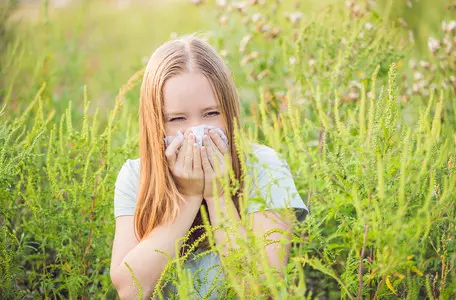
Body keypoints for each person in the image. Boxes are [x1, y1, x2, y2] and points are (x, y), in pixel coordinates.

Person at [109, 34, 309, 299]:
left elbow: (261, 290)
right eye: (177, 118)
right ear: (157, 125)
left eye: (211, 114)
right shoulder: (137, 176)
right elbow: (130, 290)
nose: (196, 132)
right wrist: (189, 196)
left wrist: (217, 195)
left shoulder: (265, 167)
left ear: (230, 112)